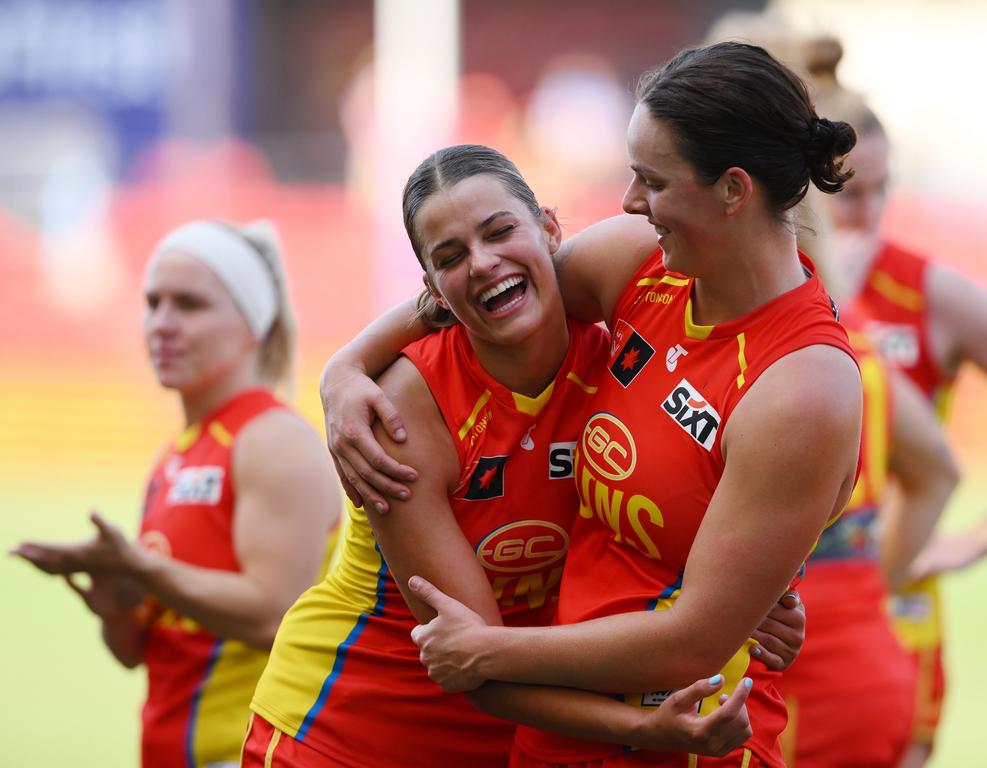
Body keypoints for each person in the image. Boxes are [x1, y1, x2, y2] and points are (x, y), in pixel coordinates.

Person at [323, 42, 863, 767]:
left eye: (652, 181)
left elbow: (691, 642)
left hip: (688, 736)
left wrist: (488, 652)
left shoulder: (803, 388)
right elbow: (495, 290)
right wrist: (347, 365)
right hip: (555, 736)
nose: (630, 202)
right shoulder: (643, 261)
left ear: (733, 190)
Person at [243, 144, 788, 768]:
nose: (482, 264)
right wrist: (641, 726)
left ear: (551, 229)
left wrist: (751, 603)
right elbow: (472, 659)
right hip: (349, 733)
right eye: (450, 257)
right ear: (433, 289)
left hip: (521, 736)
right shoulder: (403, 410)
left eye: (500, 231)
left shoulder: (625, 359)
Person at [13, 219, 341, 768]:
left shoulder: (272, 439)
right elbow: (138, 653)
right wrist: (119, 607)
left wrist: (141, 569)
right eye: (152, 302)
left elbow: (275, 616)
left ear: (252, 325)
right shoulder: (174, 458)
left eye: (189, 305)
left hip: (251, 752)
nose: (161, 324)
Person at [810, 56, 987, 766]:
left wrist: (984, 536)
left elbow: (935, 467)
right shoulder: (757, 290)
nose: (867, 213)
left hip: (889, 603)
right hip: (766, 607)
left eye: (883, 189)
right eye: (846, 192)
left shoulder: (928, 293)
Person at [774, 305, 958, 767]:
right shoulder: (852, 339)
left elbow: (938, 472)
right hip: (854, 658)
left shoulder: (800, 342)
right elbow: (937, 471)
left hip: (814, 669)